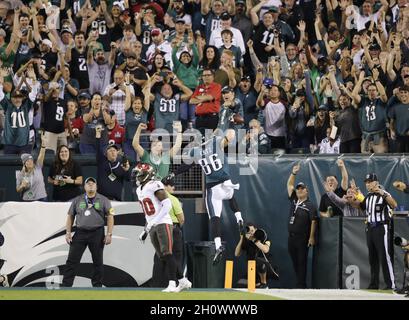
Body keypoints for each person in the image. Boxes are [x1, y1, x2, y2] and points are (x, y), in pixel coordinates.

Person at [167, 129, 244, 264]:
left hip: (213, 189)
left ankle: (218, 245)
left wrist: (173, 174)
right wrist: (228, 133)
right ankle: (239, 218)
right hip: (226, 183)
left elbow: (186, 166)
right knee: (231, 196)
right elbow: (230, 135)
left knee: (214, 218)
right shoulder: (215, 142)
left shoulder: (195, 152)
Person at [135, 163, 190, 293]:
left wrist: (153, 222)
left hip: (163, 222)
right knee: (162, 256)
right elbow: (148, 213)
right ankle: (182, 280)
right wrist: (146, 229)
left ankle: (172, 283)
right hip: (153, 224)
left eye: (140, 174)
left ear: (148, 175)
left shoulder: (154, 185)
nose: (138, 176)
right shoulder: (139, 190)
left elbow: (167, 205)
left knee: (167, 253)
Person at [62, 177, 114, 287]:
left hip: (97, 233)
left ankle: (97, 286)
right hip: (80, 232)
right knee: (72, 261)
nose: (91, 185)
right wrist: (68, 232)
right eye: (88, 184)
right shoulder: (77, 200)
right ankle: (66, 286)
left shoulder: (104, 200)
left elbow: (110, 217)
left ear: (96, 187)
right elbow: (70, 216)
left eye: (93, 184)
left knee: (97, 262)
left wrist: (109, 234)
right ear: (84, 187)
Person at [151, 175, 191, 290]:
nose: (173, 187)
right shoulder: (172, 199)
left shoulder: (154, 198)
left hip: (159, 229)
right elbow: (181, 219)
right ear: (165, 186)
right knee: (174, 258)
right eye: (171, 185)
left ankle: (158, 285)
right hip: (173, 229)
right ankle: (174, 284)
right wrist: (175, 228)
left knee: (160, 257)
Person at [360, 173, 397, 290]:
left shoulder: (384, 194)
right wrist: (352, 199)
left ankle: (390, 284)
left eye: (370, 181)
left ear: (376, 182)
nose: (368, 184)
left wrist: (381, 192)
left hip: (381, 228)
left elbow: (394, 204)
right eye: (366, 182)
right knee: (373, 258)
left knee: (384, 256)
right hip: (370, 228)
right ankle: (374, 284)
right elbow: (361, 207)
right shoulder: (369, 196)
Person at [286, 163, 318, 288]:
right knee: (295, 260)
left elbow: (314, 221)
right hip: (291, 237)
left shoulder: (310, 205)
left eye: (302, 188)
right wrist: (293, 173)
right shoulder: (294, 200)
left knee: (302, 261)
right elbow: (289, 185)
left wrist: (311, 237)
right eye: (298, 189)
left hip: (302, 238)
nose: (299, 190)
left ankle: (301, 285)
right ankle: (300, 282)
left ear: (307, 191)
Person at [235, 222, 278, 288]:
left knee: (259, 262)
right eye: (249, 232)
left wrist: (253, 239)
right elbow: (237, 254)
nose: (251, 233)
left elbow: (266, 250)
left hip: (265, 267)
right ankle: (257, 284)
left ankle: (264, 284)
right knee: (240, 284)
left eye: (252, 231)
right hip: (252, 269)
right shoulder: (246, 240)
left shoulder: (262, 236)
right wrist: (241, 238)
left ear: (256, 229)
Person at [95, 125, 131, 201]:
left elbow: (128, 179)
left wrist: (126, 170)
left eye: (114, 150)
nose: (113, 152)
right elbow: (98, 148)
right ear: (106, 153)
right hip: (102, 200)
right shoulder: (102, 162)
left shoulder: (122, 165)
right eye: (110, 150)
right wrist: (98, 135)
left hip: (116, 201)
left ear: (117, 153)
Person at [16, 134, 48, 202]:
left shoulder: (38, 167)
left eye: (31, 160)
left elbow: (41, 155)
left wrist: (43, 145)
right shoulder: (20, 174)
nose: (30, 162)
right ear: (24, 164)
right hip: (28, 200)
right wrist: (22, 186)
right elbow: (18, 189)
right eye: (28, 161)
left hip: (42, 198)